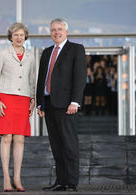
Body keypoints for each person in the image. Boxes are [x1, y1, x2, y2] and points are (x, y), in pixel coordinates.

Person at [36, 18, 86, 192]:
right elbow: (41, 79)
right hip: (49, 104)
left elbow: (80, 77)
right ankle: (61, 181)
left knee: (69, 144)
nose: (56, 32)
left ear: (66, 31)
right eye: (53, 30)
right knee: (56, 145)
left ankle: (71, 181)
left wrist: (75, 101)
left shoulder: (76, 49)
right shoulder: (46, 52)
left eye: (59, 29)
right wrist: (40, 103)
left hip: (67, 105)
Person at [0, 22, 35, 192]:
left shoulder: (30, 57)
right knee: (6, 137)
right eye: (16, 35)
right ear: (11, 37)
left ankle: (17, 178)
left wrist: (32, 99)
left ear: (25, 37)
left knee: (20, 139)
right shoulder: (2, 54)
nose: (19, 38)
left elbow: (31, 80)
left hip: (23, 100)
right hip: (5, 99)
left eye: (21, 35)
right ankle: (6, 178)